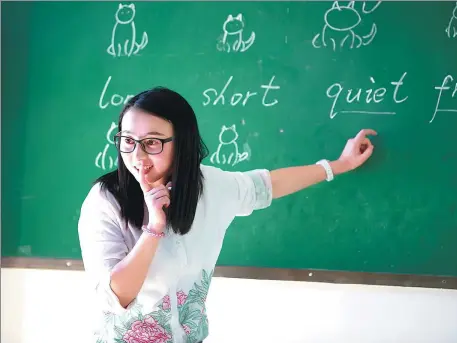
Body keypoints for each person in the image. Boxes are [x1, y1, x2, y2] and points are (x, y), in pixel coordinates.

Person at [78, 86, 377, 343]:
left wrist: (340, 164)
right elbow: (116, 297)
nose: (137, 155)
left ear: (181, 143)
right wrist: (154, 228)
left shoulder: (211, 187)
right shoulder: (105, 200)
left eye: (152, 142)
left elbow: (268, 185)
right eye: (128, 140)